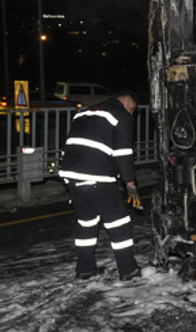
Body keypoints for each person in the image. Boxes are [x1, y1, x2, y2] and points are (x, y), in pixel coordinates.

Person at [59, 92, 142, 281]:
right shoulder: (120, 115)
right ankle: (129, 271)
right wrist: (130, 183)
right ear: (125, 103)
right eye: (132, 109)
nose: (131, 114)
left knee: (87, 223)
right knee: (119, 223)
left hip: (70, 174)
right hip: (96, 176)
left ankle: (85, 269)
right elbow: (123, 152)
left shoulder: (84, 113)